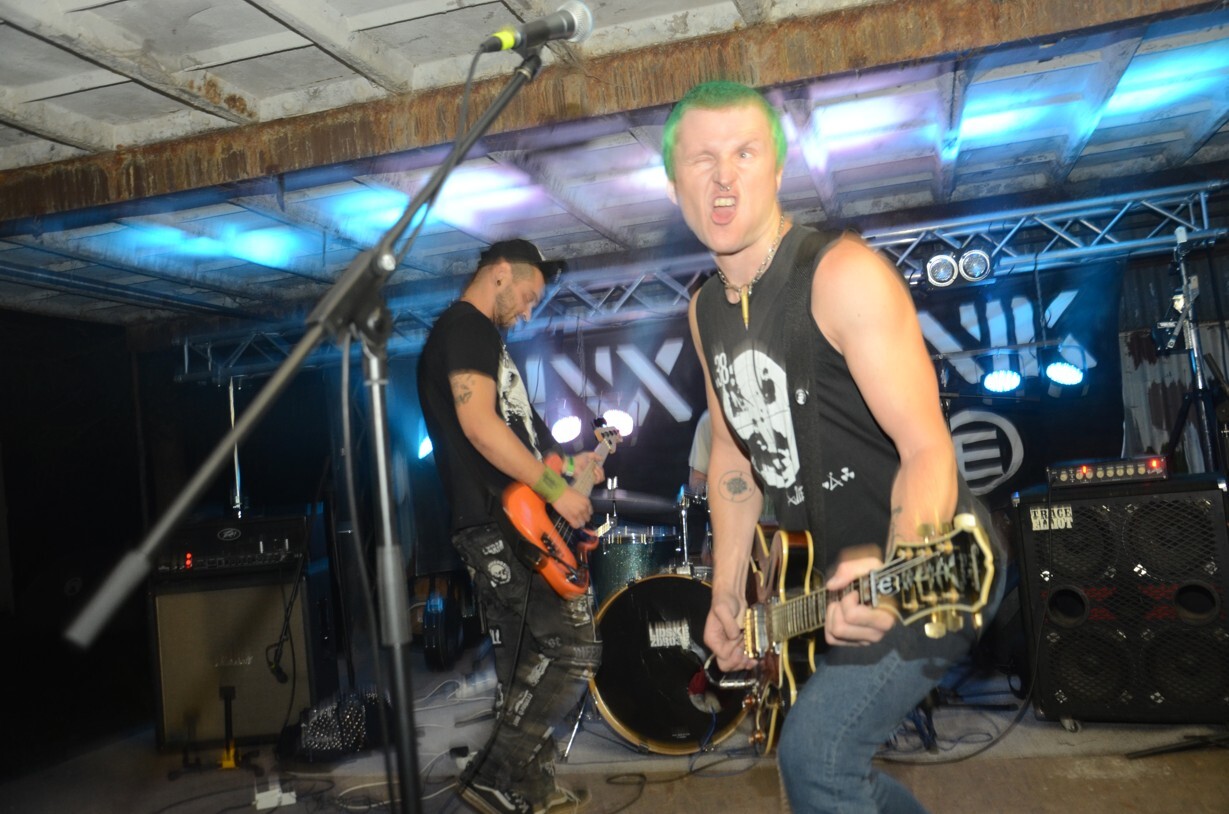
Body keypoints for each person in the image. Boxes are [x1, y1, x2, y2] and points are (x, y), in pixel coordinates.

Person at [663, 80, 1003, 813]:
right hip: (826, 588)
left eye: (744, 153)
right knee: (827, 771)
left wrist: (897, 565)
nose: (723, 178)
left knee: (814, 754)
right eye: (701, 159)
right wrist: (727, 593)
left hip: (937, 562)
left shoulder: (842, 275)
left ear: (777, 169)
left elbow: (926, 448)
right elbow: (732, 458)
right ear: (673, 184)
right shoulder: (704, 310)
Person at [417, 239, 602, 814]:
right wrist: (556, 492)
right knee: (571, 649)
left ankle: (529, 787)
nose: (526, 313)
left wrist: (572, 467)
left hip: (511, 520)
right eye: (527, 297)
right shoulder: (465, 327)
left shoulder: (487, 341)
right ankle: (491, 776)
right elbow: (479, 427)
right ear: (499, 273)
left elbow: (525, 438)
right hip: (493, 522)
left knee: (527, 664)